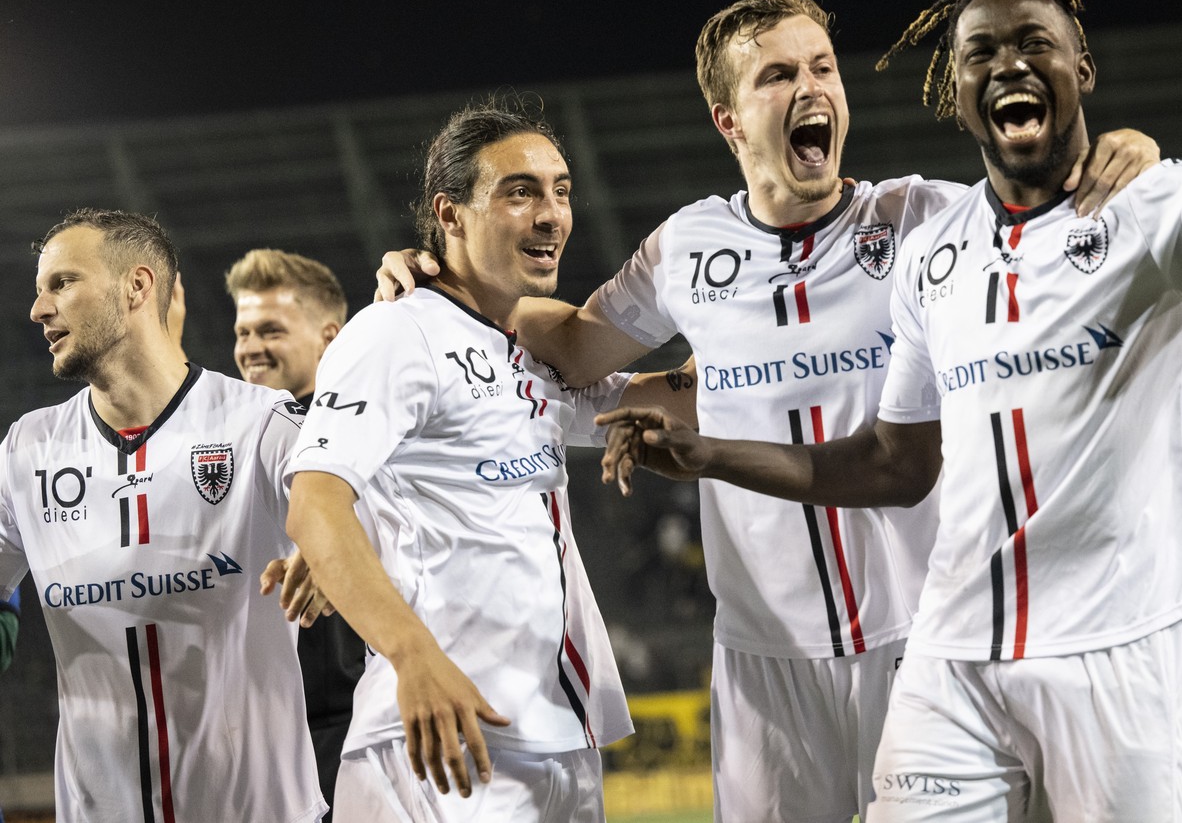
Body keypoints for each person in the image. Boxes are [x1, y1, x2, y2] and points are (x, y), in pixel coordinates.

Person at [598, 0, 1182, 820]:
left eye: (1035, 42)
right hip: (952, 650)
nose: (1008, 63)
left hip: (1110, 643)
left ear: (1083, 68)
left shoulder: (1144, 209)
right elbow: (892, 459)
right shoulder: (931, 252)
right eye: (981, 51)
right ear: (953, 88)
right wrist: (706, 451)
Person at [378, 0, 1159, 820]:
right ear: (729, 119)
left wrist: (1128, 151)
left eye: (822, 67)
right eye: (778, 74)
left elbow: (1056, 216)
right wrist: (447, 283)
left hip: (926, 636)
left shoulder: (923, 219)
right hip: (764, 658)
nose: (810, 86)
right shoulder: (687, 249)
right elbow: (571, 345)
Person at [283, 102, 692, 821]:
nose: (552, 211)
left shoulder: (527, 357)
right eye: (520, 191)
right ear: (451, 213)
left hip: (556, 739)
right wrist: (412, 658)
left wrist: (752, 301)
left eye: (561, 189)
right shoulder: (393, 332)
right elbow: (315, 504)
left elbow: (686, 403)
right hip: (446, 736)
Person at [0, 208, 325, 822]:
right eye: (40, 290)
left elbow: (370, 505)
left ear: (137, 286)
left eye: (62, 283)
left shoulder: (258, 423)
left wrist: (338, 538)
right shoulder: (27, 450)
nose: (39, 309)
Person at [227, 248, 367, 821]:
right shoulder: (227, 442)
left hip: (344, 731)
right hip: (255, 736)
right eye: (242, 331)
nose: (250, 347)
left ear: (329, 337)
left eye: (271, 330)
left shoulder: (365, 435)